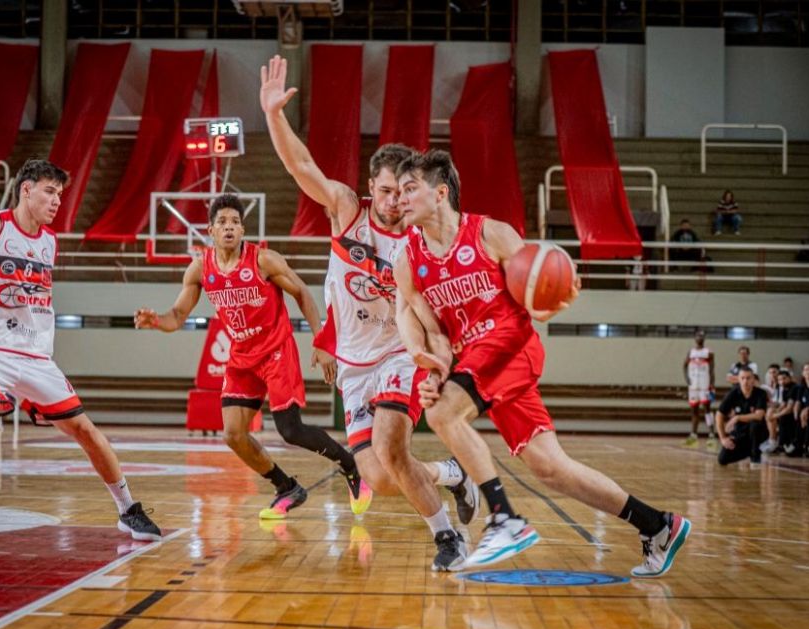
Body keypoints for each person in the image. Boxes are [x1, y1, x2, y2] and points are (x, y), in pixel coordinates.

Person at [394, 149, 690, 576]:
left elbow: (537, 297)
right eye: (398, 191)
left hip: (511, 346)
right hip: (475, 362)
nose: (401, 198)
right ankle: (658, 525)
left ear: (440, 193)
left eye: (410, 188)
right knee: (551, 469)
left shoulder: (491, 234)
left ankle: (505, 520)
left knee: (441, 414)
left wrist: (556, 297)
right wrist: (435, 368)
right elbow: (435, 332)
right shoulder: (408, 260)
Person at [259, 55, 479, 570]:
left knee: (392, 446)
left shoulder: (422, 238)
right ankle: (454, 474)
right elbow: (300, 166)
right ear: (370, 186)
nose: (393, 201)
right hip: (354, 365)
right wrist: (273, 115)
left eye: (401, 192)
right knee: (380, 475)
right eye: (384, 191)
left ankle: (448, 538)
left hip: (400, 353)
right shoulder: (346, 210)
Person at [0, 159, 160, 552]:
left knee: (85, 430)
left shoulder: (49, 241)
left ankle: (127, 509)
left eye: (60, 194)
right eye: (49, 191)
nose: (56, 201)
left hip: (34, 356)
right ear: (26, 190)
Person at [135, 193, 374, 521]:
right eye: (222, 222)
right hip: (242, 357)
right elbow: (177, 316)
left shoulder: (263, 261)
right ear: (210, 230)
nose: (229, 227)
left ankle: (350, 466)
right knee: (233, 435)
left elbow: (302, 292)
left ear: (243, 230)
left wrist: (322, 341)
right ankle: (286, 487)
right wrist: (156, 321)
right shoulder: (200, 268)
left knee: (290, 430)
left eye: (235, 222)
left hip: (276, 351)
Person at [715, 367, 768, 466]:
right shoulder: (733, 394)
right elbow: (719, 415)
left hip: (758, 433)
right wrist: (723, 438)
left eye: (748, 378)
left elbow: (759, 416)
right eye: (742, 378)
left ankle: (755, 457)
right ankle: (749, 452)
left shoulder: (761, 393)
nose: (745, 381)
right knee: (722, 459)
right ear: (738, 379)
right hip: (740, 432)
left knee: (755, 424)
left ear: (753, 379)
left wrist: (737, 418)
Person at [682, 330, 715, 447]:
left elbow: (712, 370)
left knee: (707, 409)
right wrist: (686, 378)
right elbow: (684, 365)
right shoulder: (691, 352)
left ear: (704, 338)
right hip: (693, 386)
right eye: (697, 336)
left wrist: (712, 385)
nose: (699, 337)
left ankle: (712, 434)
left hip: (705, 385)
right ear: (694, 338)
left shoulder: (709, 352)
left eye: (701, 336)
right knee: (694, 411)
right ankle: (694, 435)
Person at [787, 361, 809, 457]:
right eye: (806, 370)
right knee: (793, 417)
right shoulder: (801, 387)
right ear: (803, 373)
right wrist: (796, 413)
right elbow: (798, 402)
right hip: (804, 413)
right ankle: (796, 445)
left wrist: (806, 410)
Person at [761, 369, 796, 454]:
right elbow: (783, 404)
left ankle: (774, 441)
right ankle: (772, 440)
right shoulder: (784, 389)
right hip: (787, 410)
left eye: (784, 378)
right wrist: (773, 412)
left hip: (795, 412)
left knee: (772, 415)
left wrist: (774, 416)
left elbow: (789, 409)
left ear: (790, 378)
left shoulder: (794, 388)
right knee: (770, 412)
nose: (782, 381)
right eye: (780, 380)